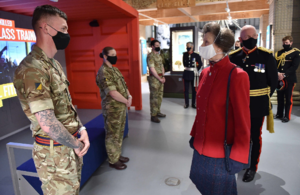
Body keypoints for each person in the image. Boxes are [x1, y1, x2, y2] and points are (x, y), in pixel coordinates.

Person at [13, 5, 90, 194]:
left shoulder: (53, 64)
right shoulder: (33, 69)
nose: (66, 33)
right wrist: (76, 144)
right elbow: (47, 122)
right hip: (55, 153)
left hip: (67, 147)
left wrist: (81, 128)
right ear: (46, 28)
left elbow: (66, 105)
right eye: (63, 29)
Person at [189, 22, 251, 195]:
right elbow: (201, 111)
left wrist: (239, 156)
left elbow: (243, 121)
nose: (201, 46)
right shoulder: (205, 72)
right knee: (202, 187)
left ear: (220, 46)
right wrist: (195, 136)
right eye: (202, 41)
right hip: (201, 146)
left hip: (220, 152)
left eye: (206, 42)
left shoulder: (237, 76)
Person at [229, 25, 278, 182]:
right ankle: (241, 160)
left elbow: (273, 81)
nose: (251, 39)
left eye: (254, 36)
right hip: (238, 105)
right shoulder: (234, 57)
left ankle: (252, 167)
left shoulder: (266, 56)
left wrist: (262, 98)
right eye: (247, 37)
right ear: (240, 39)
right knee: (240, 135)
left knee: (255, 136)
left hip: (257, 104)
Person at [96, 47, 132, 170]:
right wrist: (126, 101)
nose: (115, 57)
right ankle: (112, 160)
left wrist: (129, 95)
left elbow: (123, 85)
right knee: (112, 134)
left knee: (119, 132)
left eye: (115, 54)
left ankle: (117, 155)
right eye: (112, 55)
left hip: (121, 107)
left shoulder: (115, 70)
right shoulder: (104, 72)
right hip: (112, 108)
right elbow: (112, 93)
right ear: (105, 56)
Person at [274, 36, 300, 123]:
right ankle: (279, 114)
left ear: (291, 43)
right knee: (279, 97)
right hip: (279, 78)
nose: (285, 44)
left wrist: (284, 74)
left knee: (288, 98)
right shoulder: (279, 53)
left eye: (287, 43)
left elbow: (294, 66)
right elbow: (275, 64)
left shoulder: (296, 53)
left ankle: (287, 116)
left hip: (289, 79)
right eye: (284, 43)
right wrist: (278, 73)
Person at [147, 40, 166, 123]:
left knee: (159, 96)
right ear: (152, 46)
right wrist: (159, 78)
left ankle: (157, 111)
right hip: (154, 79)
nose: (158, 46)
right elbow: (152, 69)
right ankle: (153, 115)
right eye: (156, 45)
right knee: (154, 97)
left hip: (160, 78)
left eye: (159, 45)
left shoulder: (159, 55)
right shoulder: (150, 56)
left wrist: (163, 76)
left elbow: (162, 66)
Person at [182, 42, 202, 108]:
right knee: (186, 90)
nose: (187, 48)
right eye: (186, 46)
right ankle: (186, 103)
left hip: (194, 74)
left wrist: (196, 70)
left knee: (194, 90)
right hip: (186, 73)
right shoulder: (184, 54)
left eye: (188, 46)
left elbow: (200, 64)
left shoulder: (196, 55)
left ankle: (193, 103)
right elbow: (184, 64)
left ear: (192, 47)